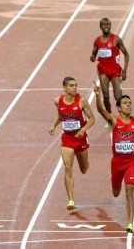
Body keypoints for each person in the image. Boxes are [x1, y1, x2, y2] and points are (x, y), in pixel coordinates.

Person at [94, 83, 134, 234]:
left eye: (130, 103)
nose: (128, 105)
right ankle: (119, 192)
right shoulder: (114, 121)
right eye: (125, 103)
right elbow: (102, 111)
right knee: (116, 193)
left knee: (129, 191)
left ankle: (130, 223)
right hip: (116, 164)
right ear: (119, 108)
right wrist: (97, 97)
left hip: (131, 163)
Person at [49, 76, 96, 210]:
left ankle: (85, 163)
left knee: (84, 169)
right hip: (67, 139)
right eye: (71, 85)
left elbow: (92, 119)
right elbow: (61, 116)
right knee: (68, 167)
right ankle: (70, 200)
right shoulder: (57, 101)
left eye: (76, 85)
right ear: (64, 88)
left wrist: (83, 129)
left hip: (80, 139)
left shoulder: (82, 101)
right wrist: (53, 125)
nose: (75, 87)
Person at [90, 18, 129, 121]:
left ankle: (123, 117)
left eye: (108, 24)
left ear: (111, 25)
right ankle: (109, 117)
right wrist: (92, 58)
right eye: (103, 24)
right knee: (106, 95)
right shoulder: (97, 41)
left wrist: (124, 70)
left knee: (118, 97)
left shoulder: (116, 39)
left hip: (115, 70)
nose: (106, 26)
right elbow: (93, 56)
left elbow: (126, 54)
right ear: (100, 27)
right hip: (103, 70)